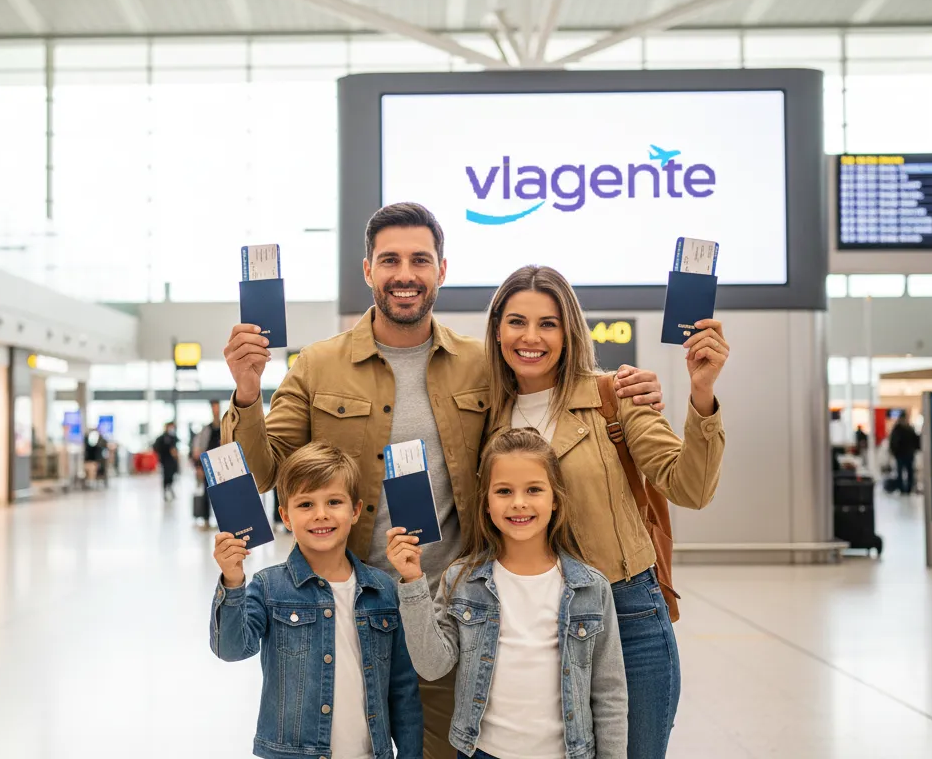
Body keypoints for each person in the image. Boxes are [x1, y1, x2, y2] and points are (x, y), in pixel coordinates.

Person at [222, 202, 665, 759]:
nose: (404, 274)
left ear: (441, 270)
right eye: (390, 260)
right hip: (343, 609)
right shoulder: (316, 365)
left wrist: (621, 387)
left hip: (448, 614)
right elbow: (262, 473)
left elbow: (546, 380)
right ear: (368, 271)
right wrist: (246, 392)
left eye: (419, 260)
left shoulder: (481, 364)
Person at [479, 265, 727, 759]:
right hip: (527, 623)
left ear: (569, 331)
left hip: (627, 611)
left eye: (548, 323)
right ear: (497, 330)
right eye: (516, 322)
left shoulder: (614, 396)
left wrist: (702, 393)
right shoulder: (482, 415)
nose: (531, 337)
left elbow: (690, 487)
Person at [389, 429, 628, 759]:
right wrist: (413, 582)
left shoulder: (591, 587)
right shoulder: (462, 579)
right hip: (482, 752)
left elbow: (610, 691)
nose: (519, 502)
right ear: (486, 502)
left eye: (533, 489)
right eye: (503, 491)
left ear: (555, 498)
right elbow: (431, 666)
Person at [210, 443, 423, 759]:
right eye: (306, 504)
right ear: (285, 515)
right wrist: (232, 581)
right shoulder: (269, 587)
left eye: (334, 501)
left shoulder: (383, 590)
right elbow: (230, 648)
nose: (321, 514)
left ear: (354, 510)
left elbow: (402, 688)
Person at [888, 414, 919, 495]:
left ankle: (908, 489)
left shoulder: (909, 429)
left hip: (907, 454)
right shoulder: (900, 429)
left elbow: (916, 440)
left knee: (909, 472)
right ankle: (902, 489)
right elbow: (893, 442)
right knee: (901, 472)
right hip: (901, 454)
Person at [152, 422, 180, 501]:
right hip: (165, 460)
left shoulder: (173, 437)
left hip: (172, 461)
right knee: (166, 476)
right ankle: (165, 491)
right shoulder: (162, 438)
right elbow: (156, 447)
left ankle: (170, 488)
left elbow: (176, 446)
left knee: (172, 475)